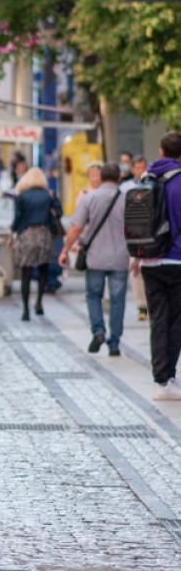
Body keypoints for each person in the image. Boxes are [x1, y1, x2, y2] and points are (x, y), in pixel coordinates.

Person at [59, 163, 128, 356]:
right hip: (120, 258)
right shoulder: (127, 200)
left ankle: (98, 330)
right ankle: (114, 343)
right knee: (117, 300)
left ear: (101, 177)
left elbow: (75, 228)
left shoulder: (89, 198)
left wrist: (65, 250)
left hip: (95, 257)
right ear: (119, 179)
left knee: (93, 295)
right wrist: (138, 257)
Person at [131, 133, 181, 400]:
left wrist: (139, 257)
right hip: (177, 259)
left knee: (158, 319)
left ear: (161, 153)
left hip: (149, 259)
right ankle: (168, 380)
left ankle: (159, 381)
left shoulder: (145, 179)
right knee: (176, 321)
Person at [9, 167, 57, 321]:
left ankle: (25, 310)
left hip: (27, 234)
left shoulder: (22, 196)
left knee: (26, 273)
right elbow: (58, 213)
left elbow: (17, 218)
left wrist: (12, 233)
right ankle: (39, 303)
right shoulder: (47, 195)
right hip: (44, 233)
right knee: (43, 269)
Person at [120, 155, 150, 320]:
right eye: (137, 168)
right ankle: (141, 305)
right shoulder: (125, 188)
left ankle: (151, 302)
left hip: (150, 233)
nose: (141, 171)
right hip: (133, 233)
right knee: (135, 271)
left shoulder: (153, 184)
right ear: (132, 169)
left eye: (143, 167)